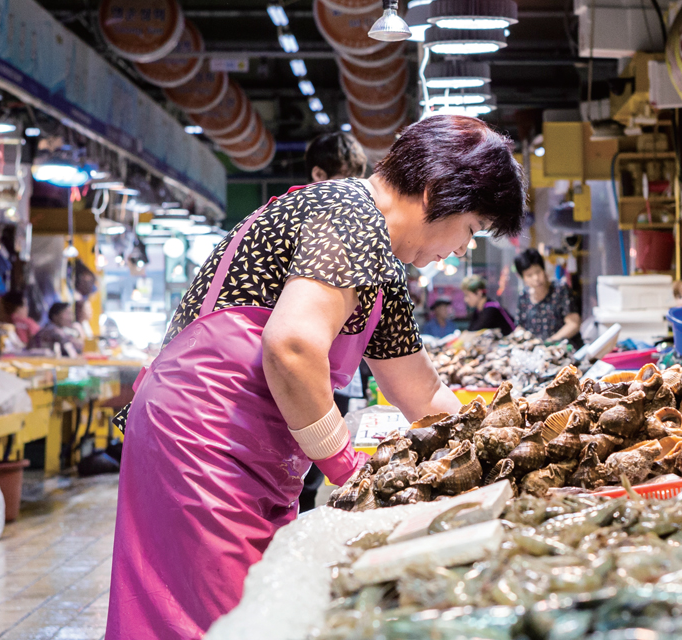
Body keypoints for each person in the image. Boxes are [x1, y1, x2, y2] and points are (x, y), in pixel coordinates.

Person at [105, 115, 527, 640]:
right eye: (471, 229)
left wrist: (493, 461)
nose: (463, 249)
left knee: (261, 607)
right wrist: (347, 469)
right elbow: (292, 347)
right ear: (435, 191)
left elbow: (420, 392)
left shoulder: (383, 266)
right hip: (204, 442)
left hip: (249, 451)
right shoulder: (352, 214)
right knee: (226, 623)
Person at [298, 131, 369, 513]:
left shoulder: (351, 232)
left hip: (328, 376)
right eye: (343, 181)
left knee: (304, 475)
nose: (352, 194)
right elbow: (290, 345)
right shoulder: (310, 225)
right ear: (318, 175)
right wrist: (346, 468)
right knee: (301, 479)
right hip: (298, 377)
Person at [514, 248, 582, 349]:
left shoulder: (560, 290)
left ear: (544, 269)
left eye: (538, 272)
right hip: (538, 354)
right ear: (523, 278)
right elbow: (520, 327)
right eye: (529, 275)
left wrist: (549, 343)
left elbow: (573, 324)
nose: (536, 278)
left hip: (563, 351)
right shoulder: (523, 296)